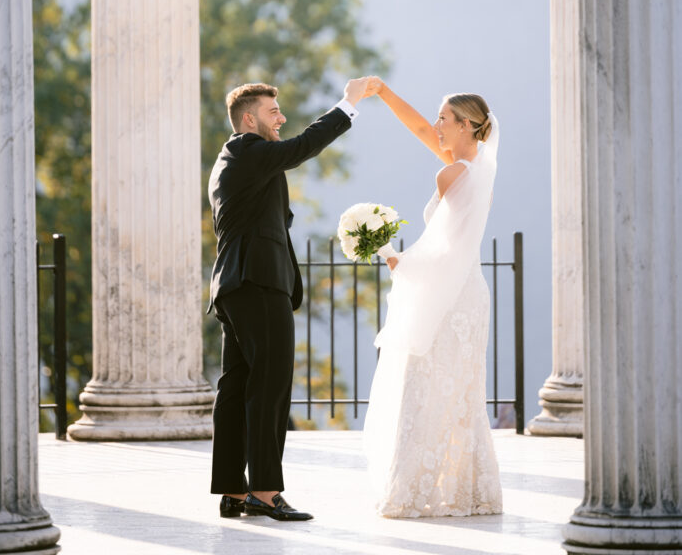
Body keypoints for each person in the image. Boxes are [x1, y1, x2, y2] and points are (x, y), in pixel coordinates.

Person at [208, 77, 369, 522]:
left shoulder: (238, 161)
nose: (280, 119)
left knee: (238, 387)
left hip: (236, 285)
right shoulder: (246, 150)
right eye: (272, 112)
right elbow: (301, 147)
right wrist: (347, 105)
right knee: (270, 387)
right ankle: (264, 491)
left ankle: (234, 493)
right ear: (248, 118)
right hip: (258, 283)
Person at [362, 78, 503, 518]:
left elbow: (439, 251)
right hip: (469, 292)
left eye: (444, 118)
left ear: (464, 125)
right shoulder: (479, 167)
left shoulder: (451, 173)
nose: (437, 124)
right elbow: (424, 133)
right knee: (460, 391)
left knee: (422, 386)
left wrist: (393, 259)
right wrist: (384, 93)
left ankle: (411, 490)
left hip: (449, 293)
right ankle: (468, 489)